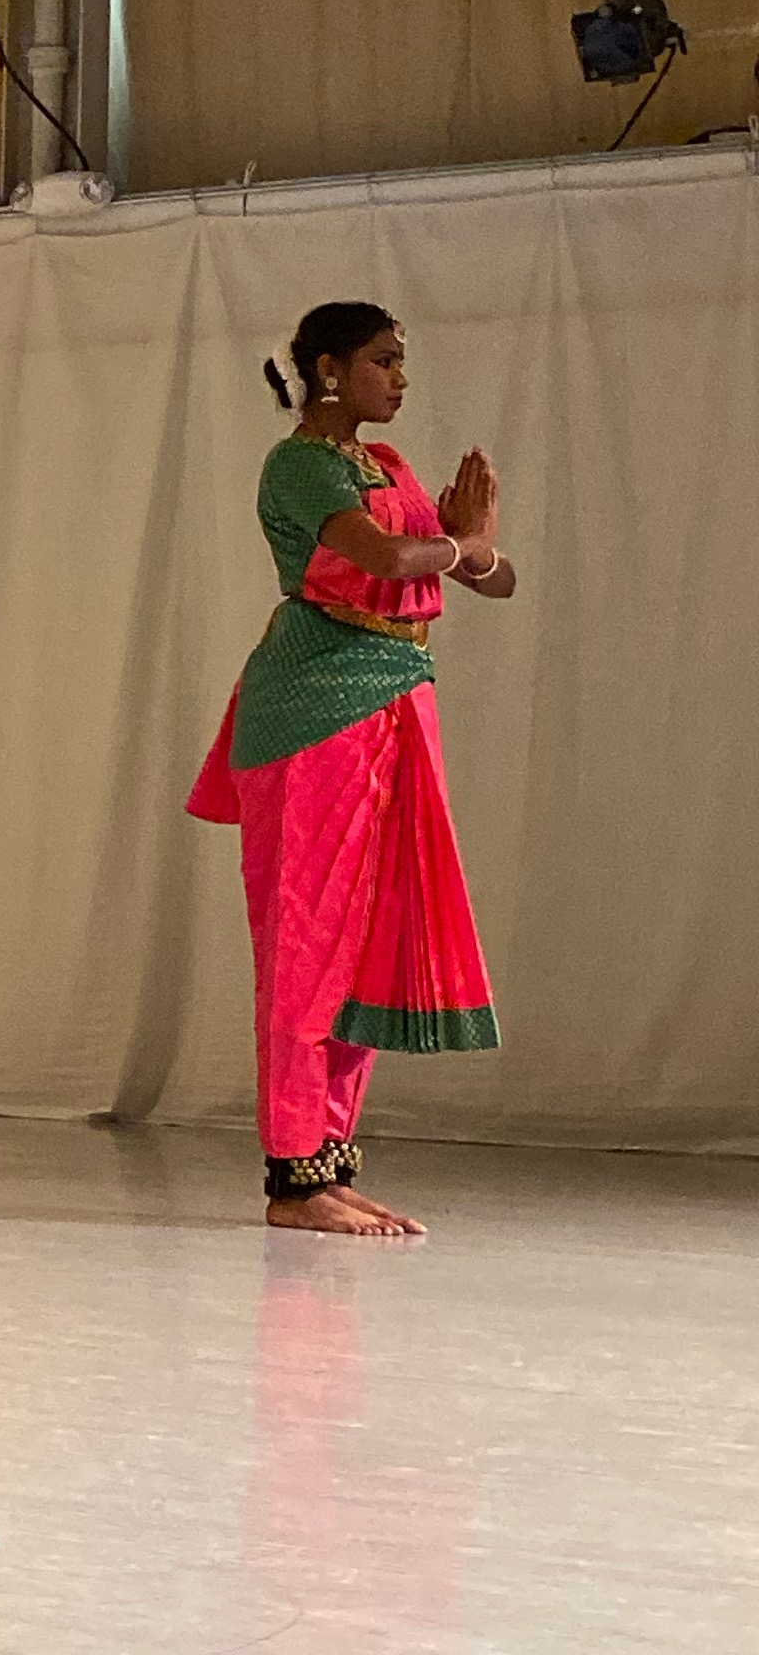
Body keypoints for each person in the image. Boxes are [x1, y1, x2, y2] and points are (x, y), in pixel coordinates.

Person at [188, 300, 511, 1237]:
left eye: (402, 360)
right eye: (383, 360)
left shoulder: (391, 467)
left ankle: (328, 1160)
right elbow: (388, 556)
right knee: (308, 941)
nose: (400, 378)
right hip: (313, 709)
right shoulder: (299, 464)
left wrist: (473, 547)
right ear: (330, 371)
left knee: (371, 945)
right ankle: (293, 1176)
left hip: (398, 700)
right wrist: (459, 546)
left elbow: (495, 578)